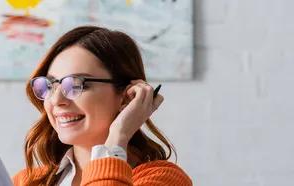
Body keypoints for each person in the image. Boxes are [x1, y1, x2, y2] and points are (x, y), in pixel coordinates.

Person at [12, 26, 192, 186]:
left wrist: (118, 137)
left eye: (76, 85)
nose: (57, 100)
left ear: (125, 98)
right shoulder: (27, 181)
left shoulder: (164, 180)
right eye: (50, 85)